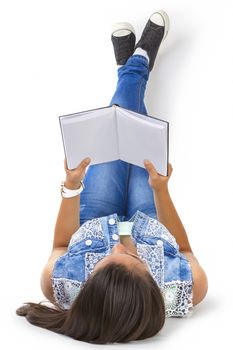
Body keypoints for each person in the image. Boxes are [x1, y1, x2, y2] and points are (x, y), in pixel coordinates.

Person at [16, 10, 208, 344]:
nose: (121, 245)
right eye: (135, 259)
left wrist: (72, 187)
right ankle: (134, 67)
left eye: (107, 259)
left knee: (115, 122)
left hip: (95, 215)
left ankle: (133, 67)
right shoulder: (186, 288)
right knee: (134, 130)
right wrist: (161, 190)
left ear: (87, 289)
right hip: (151, 216)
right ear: (154, 288)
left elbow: (61, 244)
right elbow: (185, 249)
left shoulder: (60, 283)